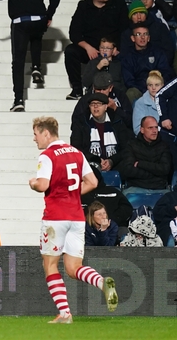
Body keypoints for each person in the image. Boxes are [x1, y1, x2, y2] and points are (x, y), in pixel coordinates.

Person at [29, 116, 118, 323]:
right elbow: (93, 181)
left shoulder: (47, 156)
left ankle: (65, 314)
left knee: (50, 265)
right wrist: (72, 196)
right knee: (73, 268)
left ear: (46, 133)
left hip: (55, 218)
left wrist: (32, 183)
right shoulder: (76, 153)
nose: (34, 139)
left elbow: (42, 185)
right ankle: (101, 282)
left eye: (35, 134)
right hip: (77, 217)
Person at [0, 0, 60, 112]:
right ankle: (36, 67)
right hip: (39, 18)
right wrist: (49, 13)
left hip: (19, 21)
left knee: (18, 62)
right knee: (36, 35)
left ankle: (19, 100)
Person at [64, 0, 128, 100]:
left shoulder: (118, 3)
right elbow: (74, 33)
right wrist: (88, 48)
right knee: (70, 51)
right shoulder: (83, 6)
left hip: (113, 48)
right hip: (92, 49)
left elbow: (124, 30)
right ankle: (77, 90)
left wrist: (117, 47)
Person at [70, 93, 132, 171]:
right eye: (92, 104)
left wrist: (111, 161)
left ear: (106, 106)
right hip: (89, 165)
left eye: (99, 104)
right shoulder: (81, 122)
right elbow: (76, 147)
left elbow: (126, 148)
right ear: (89, 106)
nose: (95, 106)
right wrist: (97, 160)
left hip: (116, 165)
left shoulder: (117, 121)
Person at [117, 116, 172, 195]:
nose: (154, 131)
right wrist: (155, 174)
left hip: (159, 189)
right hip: (136, 188)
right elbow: (128, 170)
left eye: (156, 127)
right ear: (142, 130)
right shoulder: (132, 145)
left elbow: (165, 169)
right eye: (150, 128)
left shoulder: (164, 146)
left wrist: (140, 164)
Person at [121, 24, 175, 103]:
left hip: (159, 86)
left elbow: (166, 72)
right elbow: (129, 81)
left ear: (149, 38)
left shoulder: (158, 53)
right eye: (138, 34)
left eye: (145, 34)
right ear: (133, 38)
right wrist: (146, 89)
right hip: (140, 89)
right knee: (131, 93)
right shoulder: (128, 57)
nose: (142, 37)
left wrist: (157, 86)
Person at [119, 0, 174, 69]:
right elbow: (125, 57)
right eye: (135, 14)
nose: (139, 17)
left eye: (142, 13)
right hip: (136, 73)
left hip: (160, 70)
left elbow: (168, 52)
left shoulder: (160, 28)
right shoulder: (126, 34)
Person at [81, 164, 133, 232]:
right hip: (85, 230)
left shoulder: (113, 192)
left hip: (114, 228)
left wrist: (111, 221)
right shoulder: (76, 195)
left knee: (124, 233)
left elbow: (127, 208)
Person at [132, 71, 163, 135]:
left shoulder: (169, 101)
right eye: (150, 85)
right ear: (147, 87)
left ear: (162, 86)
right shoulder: (140, 103)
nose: (153, 88)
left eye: (157, 85)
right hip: (147, 141)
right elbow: (137, 129)